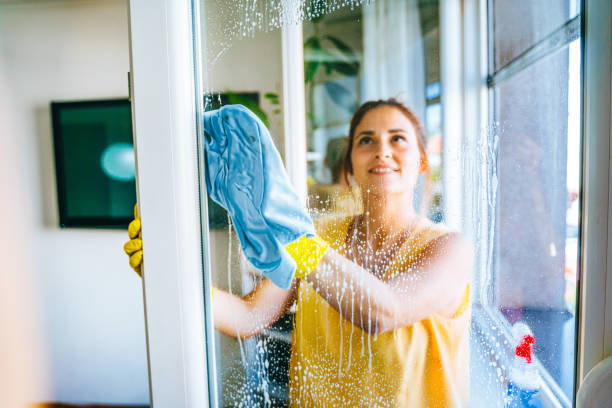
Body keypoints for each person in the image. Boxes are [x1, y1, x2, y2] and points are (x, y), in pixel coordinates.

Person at [126, 98, 472, 407]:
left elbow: (383, 313)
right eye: (366, 140)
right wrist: (172, 279)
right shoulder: (321, 234)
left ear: (423, 161)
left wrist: (290, 232)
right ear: (349, 163)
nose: (382, 149)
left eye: (397, 138)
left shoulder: (449, 248)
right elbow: (250, 316)